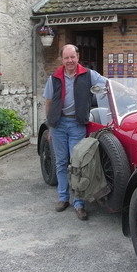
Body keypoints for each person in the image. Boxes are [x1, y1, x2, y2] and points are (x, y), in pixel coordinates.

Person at [43, 44, 107, 220]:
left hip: (77, 124)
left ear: (78, 57)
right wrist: (50, 126)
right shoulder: (54, 78)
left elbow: (108, 84)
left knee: (78, 164)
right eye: (66, 58)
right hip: (58, 124)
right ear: (62, 59)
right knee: (61, 163)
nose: (70, 61)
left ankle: (79, 203)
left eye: (72, 57)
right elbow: (48, 103)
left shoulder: (88, 74)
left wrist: (129, 91)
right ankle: (63, 198)